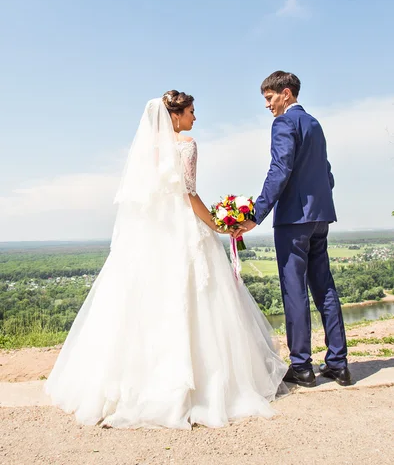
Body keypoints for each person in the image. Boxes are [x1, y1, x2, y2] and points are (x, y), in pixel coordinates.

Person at [45, 90, 287, 429]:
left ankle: (131, 386)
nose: (194, 118)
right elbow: (189, 194)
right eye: (191, 111)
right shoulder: (187, 144)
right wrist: (218, 224)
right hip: (184, 232)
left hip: (153, 235)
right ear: (176, 116)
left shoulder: (148, 151)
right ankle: (200, 387)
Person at [238, 72, 351, 388]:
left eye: (269, 98)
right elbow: (325, 173)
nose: (267, 105)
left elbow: (280, 169)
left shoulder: (284, 124)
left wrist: (256, 213)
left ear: (285, 93)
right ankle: (338, 364)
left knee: (295, 291)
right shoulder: (314, 124)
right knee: (324, 288)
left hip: (293, 221)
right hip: (320, 218)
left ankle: (301, 366)